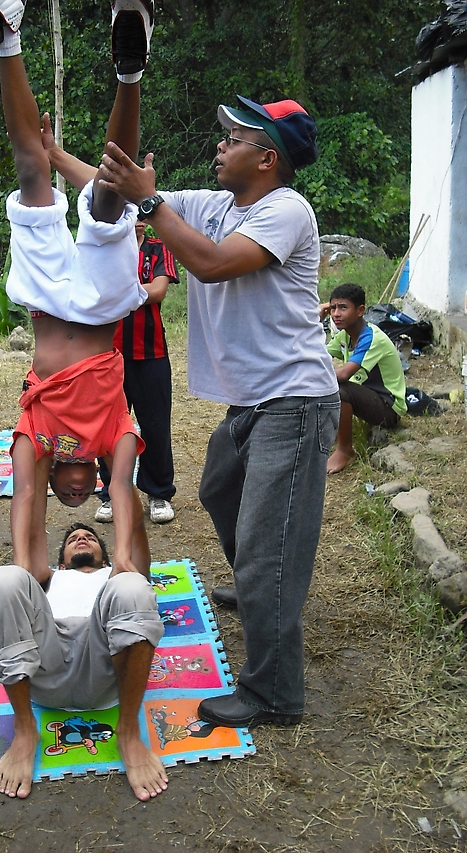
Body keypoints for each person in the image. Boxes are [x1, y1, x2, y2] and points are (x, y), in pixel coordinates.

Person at [98, 96, 341, 728]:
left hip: (294, 400)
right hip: (253, 401)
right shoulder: (214, 205)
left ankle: (273, 692)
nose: (219, 146)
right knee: (216, 488)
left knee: (267, 549)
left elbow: (210, 263)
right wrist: (53, 159)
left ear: (266, 156)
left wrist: (150, 203)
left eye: (233, 138)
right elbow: (123, 186)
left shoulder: (286, 210)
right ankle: (265, 587)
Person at [0, 0, 157, 581]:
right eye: (84, 500)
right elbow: (124, 500)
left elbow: (24, 505)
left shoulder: (34, 440)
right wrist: (123, 563)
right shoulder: (116, 436)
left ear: (54, 476)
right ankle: (131, 67)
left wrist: (30, 573)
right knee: (109, 195)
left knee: (31, 170)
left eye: (66, 501)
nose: (76, 499)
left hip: (46, 298)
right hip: (99, 307)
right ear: (92, 478)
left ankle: (8, 34)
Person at [0, 518, 167, 802]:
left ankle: (128, 730)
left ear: (107, 560)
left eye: (89, 536)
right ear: (61, 564)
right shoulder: (50, 577)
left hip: (106, 669)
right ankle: (25, 728)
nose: (81, 538)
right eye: (72, 538)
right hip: (44, 663)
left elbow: (136, 528)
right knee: (4, 580)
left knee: (133, 585)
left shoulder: (115, 573)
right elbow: (31, 519)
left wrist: (123, 480)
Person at [95, 221, 179, 525]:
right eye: (129, 208)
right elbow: (96, 290)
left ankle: (158, 493)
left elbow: (158, 291)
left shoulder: (158, 248)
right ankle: (110, 493)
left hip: (152, 351)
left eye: (142, 207)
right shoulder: (105, 247)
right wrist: (127, 294)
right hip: (107, 354)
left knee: (155, 424)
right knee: (109, 426)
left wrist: (119, 294)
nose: (138, 216)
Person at [320, 283, 407, 474]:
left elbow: (343, 375)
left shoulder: (371, 337)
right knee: (324, 383)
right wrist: (317, 321)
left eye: (343, 307)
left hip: (388, 407)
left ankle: (345, 450)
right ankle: (334, 434)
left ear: (360, 310)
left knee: (339, 389)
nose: (336, 314)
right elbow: (317, 355)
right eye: (332, 308)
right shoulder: (344, 335)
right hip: (369, 398)